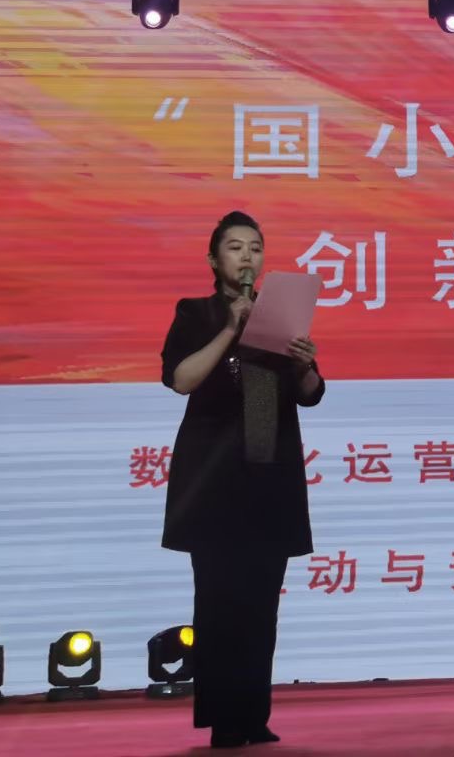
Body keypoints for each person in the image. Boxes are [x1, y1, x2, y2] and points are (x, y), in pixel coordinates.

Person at [160, 211, 324, 749]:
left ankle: (254, 715)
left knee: (260, 607)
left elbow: (309, 394)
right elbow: (181, 380)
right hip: (214, 482)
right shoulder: (197, 312)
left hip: (267, 478)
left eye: (255, 247)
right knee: (218, 604)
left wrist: (304, 364)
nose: (247, 256)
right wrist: (231, 328)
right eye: (235, 247)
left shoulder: (280, 316)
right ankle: (223, 720)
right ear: (214, 259)